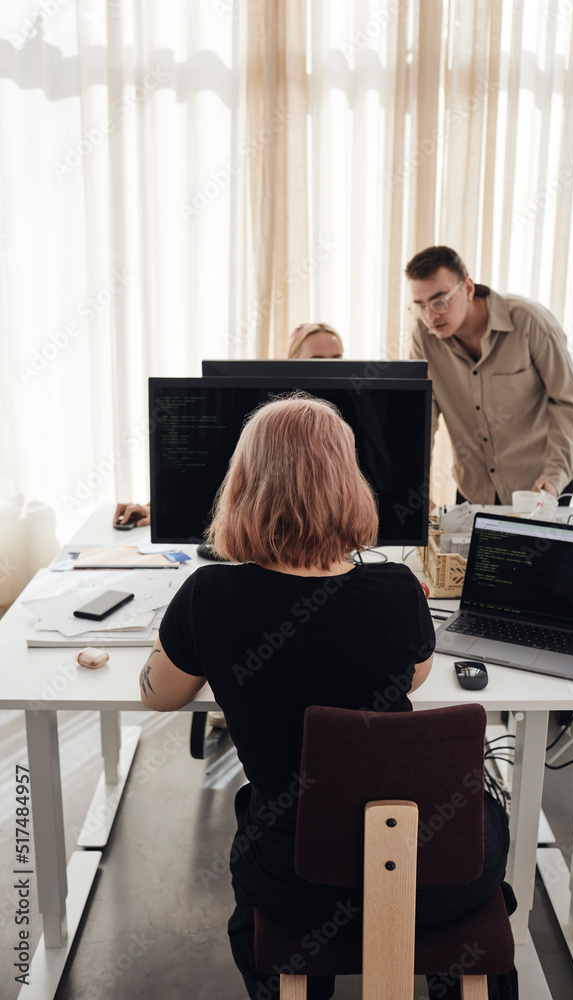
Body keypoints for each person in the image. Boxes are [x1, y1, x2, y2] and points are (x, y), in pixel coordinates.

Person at [137, 395, 517, 1000]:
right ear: (347, 484)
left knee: (257, 823)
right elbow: (414, 679)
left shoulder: (208, 595)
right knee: (487, 809)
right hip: (437, 875)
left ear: (242, 486)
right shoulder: (398, 590)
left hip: (298, 880)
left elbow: (159, 696)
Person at [114, 322, 345, 528]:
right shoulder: (267, 412)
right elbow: (215, 469)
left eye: (337, 359)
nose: (330, 368)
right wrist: (157, 509)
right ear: (293, 362)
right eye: (317, 360)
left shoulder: (350, 412)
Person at [406, 246, 573, 506]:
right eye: (420, 306)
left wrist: (554, 475)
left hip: (540, 485)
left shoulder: (530, 322)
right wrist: (414, 485)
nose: (430, 316)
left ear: (468, 288)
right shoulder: (423, 339)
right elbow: (422, 419)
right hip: (476, 489)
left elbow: (567, 403)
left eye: (439, 301)